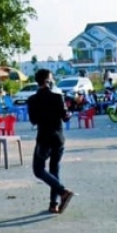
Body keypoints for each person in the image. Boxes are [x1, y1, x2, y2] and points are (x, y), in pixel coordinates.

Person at [27, 69, 74, 214]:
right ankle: (54, 204)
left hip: (44, 139)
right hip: (58, 138)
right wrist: (69, 113)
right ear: (48, 81)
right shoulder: (58, 97)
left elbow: (33, 121)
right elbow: (65, 117)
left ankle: (62, 192)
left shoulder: (32, 100)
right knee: (54, 169)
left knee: (38, 170)